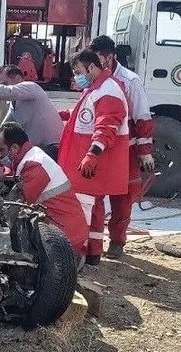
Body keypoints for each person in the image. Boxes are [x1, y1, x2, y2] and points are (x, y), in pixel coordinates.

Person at [57, 49, 130, 266]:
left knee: (82, 212)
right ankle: (93, 254)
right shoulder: (96, 89)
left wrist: (92, 155)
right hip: (87, 166)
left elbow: (107, 127)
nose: (76, 76)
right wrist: (63, 115)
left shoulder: (108, 91)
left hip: (89, 167)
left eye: (78, 71)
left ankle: (77, 258)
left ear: (91, 67)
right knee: (95, 211)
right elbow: (87, 116)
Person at [89, 35, 154, 259]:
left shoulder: (130, 82)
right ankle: (93, 244)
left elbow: (142, 118)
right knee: (94, 193)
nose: (94, 66)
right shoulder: (93, 79)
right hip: (100, 147)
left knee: (122, 197)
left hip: (124, 150)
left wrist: (144, 153)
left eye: (98, 60)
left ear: (110, 57)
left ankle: (117, 242)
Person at [0, 122, 89, 258]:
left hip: (66, 243)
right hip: (67, 233)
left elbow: (15, 207)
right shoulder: (32, 155)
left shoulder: (34, 166)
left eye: (1, 150)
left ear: (14, 149)